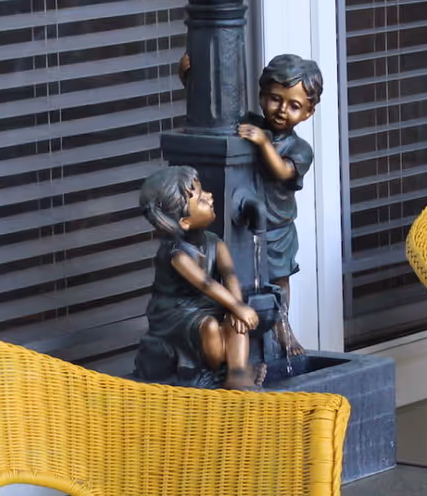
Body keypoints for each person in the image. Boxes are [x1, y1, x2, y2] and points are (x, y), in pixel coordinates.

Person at [133, 166, 260, 389]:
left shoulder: (215, 243)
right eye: (200, 199)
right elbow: (206, 283)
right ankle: (217, 365)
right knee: (211, 327)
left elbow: (229, 276)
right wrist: (236, 307)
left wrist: (237, 307)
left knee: (234, 321)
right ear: (184, 222)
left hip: (207, 303)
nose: (210, 197)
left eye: (204, 192)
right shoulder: (177, 255)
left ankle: (238, 372)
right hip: (177, 311)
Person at [236, 54, 322, 356]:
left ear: (308, 113)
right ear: (262, 96)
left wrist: (262, 144)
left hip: (278, 228)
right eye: (275, 99)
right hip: (244, 226)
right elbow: (219, 114)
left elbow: (282, 171)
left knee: (279, 279)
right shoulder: (251, 126)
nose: (282, 110)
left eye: (294, 105)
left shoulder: (300, 150)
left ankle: (282, 325)